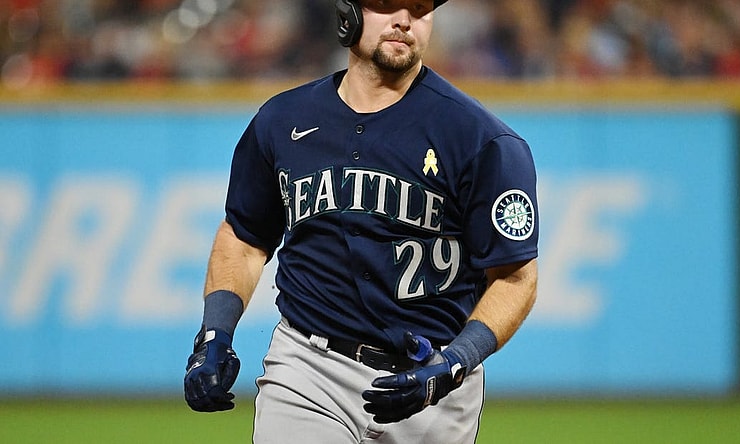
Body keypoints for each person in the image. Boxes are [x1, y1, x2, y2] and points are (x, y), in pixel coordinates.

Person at [183, 1, 539, 443]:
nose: (405, 20)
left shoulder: (482, 139)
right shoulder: (283, 119)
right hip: (310, 369)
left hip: (435, 383)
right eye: (387, 4)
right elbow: (244, 236)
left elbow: (516, 276)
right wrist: (215, 331)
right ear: (347, 13)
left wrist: (457, 361)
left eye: (422, 9)